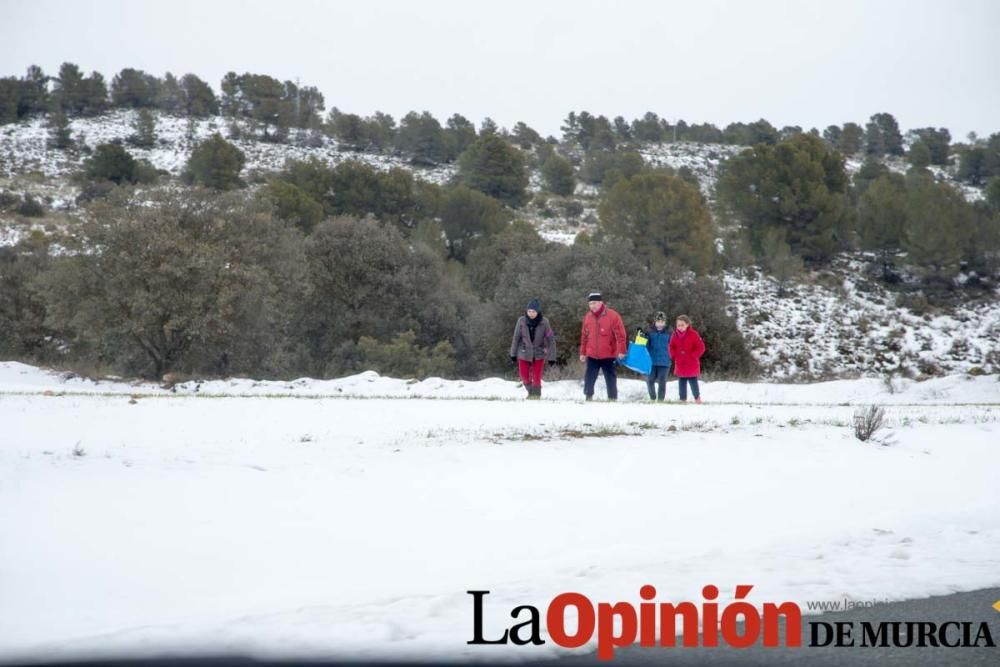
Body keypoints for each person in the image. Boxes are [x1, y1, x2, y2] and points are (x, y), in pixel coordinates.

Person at [579, 292, 627, 401]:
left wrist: (622, 350)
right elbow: (584, 336)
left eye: (595, 303)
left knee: (610, 378)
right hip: (592, 354)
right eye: (590, 304)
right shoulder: (587, 317)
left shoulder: (613, 315)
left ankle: (612, 398)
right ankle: (588, 396)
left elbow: (621, 335)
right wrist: (582, 352)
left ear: (601, 303)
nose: (593, 306)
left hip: (608, 354)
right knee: (589, 377)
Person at [510, 298, 557, 399]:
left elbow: (551, 339)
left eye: (533, 311)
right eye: (529, 311)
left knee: (536, 378)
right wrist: (513, 353)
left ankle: (536, 395)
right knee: (524, 377)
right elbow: (516, 337)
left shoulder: (545, 322)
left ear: (538, 311)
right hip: (524, 352)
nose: (531, 313)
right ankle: (531, 393)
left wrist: (552, 357)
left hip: (539, 353)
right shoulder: (521, 321)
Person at [668, 314, 706, 403]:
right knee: (681, 382)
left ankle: (697, 398)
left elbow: (701, 347)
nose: (680, 327)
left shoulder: (693, 334)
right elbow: (671, 346)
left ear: (687, 325)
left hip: (691, 363)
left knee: (693, 381)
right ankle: (682, 399)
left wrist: (694, 356)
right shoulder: (674, 335)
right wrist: (674, 355)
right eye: (678, 325)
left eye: (682, 325)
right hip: (680, 363)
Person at [645, 312, 672, 401]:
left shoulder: (670, 332)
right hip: (651, 361)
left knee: (662, 382)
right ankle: (652, 398)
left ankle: (660, 400)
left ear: (665, 322)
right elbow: (645, 346)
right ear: (655, 321)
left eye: (662, 322)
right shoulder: (649, 331)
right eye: (658, 321)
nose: (660, 324)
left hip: (664, 362)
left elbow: (673, 346)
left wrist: (672, 356)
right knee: (650, 380)